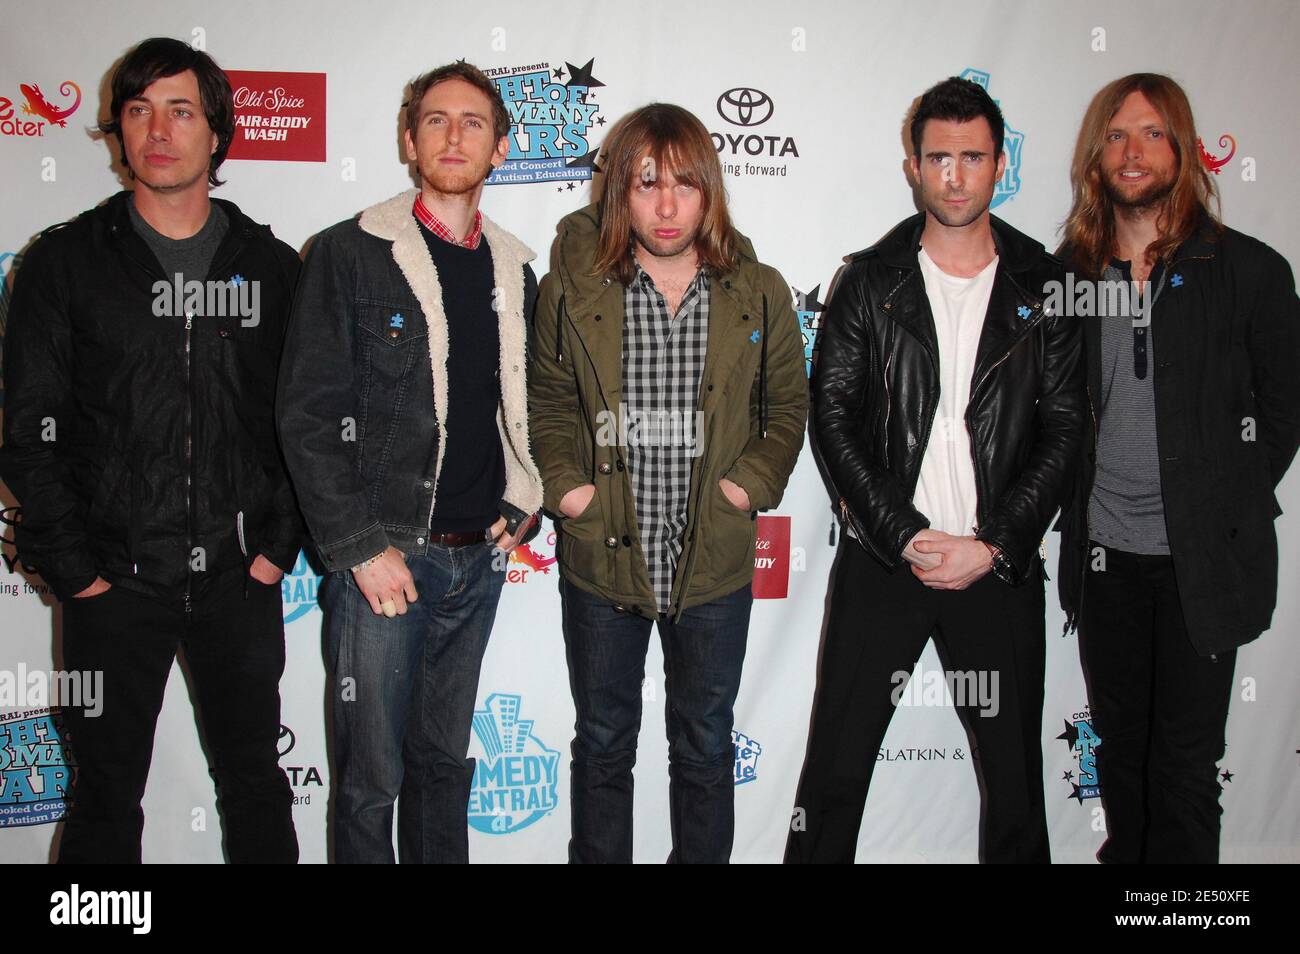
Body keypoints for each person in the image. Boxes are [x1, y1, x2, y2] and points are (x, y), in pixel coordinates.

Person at [0, 37, 302, 863]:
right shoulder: (62, 263)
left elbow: (299, 423)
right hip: (113, 581)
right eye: (137, 111)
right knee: (103, 796)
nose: (156, 131)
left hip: (240, 580)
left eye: (179, 111)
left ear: (216, 134)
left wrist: (275, 548)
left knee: (256, 787)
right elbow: (28, 429)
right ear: (117, 130)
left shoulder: (272, 269)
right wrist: (77, 571)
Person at [787, 77, 1084, 863]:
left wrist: (994, 543)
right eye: (939, 157)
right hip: (886, 562)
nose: (955, 175)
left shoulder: (1048, 285)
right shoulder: (869, 280)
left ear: (997, 165)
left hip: (1000, 567)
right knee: (833, 779)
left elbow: (1064, 430)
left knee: (1017, 791)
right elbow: (835, 422)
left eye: (972, 157)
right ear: (914, 166)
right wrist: (906, 534)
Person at [276, 61, 542, 864]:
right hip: (385, 559)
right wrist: (359, 547)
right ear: (408, 138)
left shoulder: (513, 267)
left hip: (476, 560)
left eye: (472, 122)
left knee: (442, 768)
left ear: (500, 148)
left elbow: (527, 402)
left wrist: (523, 497)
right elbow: (306, 413)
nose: (453, 135)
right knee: (369, 781)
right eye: (435, 120)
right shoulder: (350, 253)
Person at [529, 103, 808, 863]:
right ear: (618, 190)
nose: (664, 205)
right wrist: (570, 492)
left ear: (710, 192)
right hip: (602, 558)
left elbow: (786, 409)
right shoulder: (574, 288)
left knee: (706, 750)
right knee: (605, 746)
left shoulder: (758, 290)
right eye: (646, 183)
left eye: (683, 184)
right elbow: (548, 406)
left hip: (712, 562)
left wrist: (744, 488)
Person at [1056, 73, 1300, 864]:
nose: (1133, 152)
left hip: (1202, 563)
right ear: (1098, 156)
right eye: (1117, 136)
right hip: (1104, 559)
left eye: (1152, 134)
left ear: (1184, 150)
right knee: (1121, 755)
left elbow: (1286, 408)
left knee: (1186, 768)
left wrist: (1222, 499)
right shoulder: (1068, 276)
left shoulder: (1250, 272)